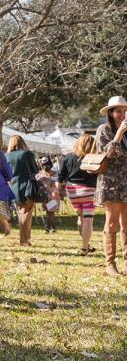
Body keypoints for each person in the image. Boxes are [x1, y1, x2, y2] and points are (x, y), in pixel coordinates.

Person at [93, 96, 127, 276]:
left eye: (124, 111)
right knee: (112, 223)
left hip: (126, 183)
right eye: (118, 111)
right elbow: (107, 153)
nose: (122, 115)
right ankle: (110, 263)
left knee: (126, 225)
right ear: (111, 113)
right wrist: (119, 132)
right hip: (111, 184)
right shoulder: (103, 129)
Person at [58, 133, 98, 255]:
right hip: (89, 191)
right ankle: (85, 248)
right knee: (88, 220)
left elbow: (60, 177)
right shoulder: (95, 157)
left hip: (72, 191)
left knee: (80, 217)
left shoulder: (68, 157)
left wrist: (59, 188)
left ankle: (86, 243)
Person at [5, 136, 40, 246]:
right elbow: (35, 169)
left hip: (13, 187)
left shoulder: (7, 156)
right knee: (26, 214)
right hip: (27, 186)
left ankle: (27, 239)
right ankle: (24, 240)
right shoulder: (27, 154)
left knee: (22, 213)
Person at [36, 157, 60, 233]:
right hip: (44, 196)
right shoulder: (39, 174)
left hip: (53, 196)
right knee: (48, 212)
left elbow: (58, 184)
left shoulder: (55, 174)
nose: (45, 167)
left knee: (50, 212)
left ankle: (48, 227)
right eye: (43, 165)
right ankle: (52, 227)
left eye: (47, 165)